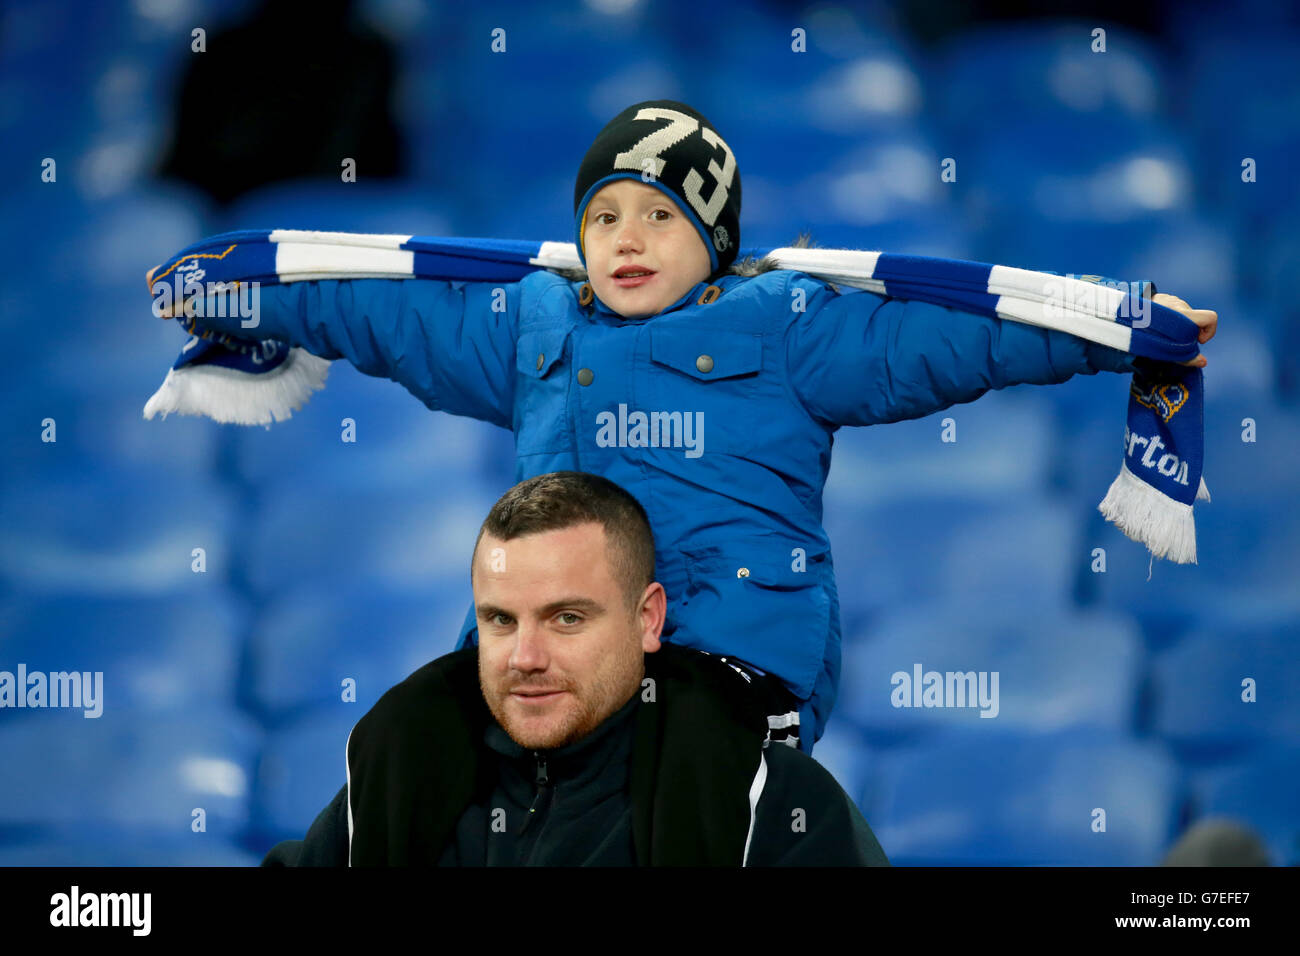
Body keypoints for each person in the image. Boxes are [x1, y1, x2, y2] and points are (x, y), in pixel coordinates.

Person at [158, 99, 1218, 753]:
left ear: (714, 238)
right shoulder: (530, 328)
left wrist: (1106, 323)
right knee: (403, 738)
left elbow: (953, 335)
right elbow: (387, 308)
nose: (626, 237)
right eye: (603, 215)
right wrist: (245, 296)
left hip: (734, 663)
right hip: (559, 662)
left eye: (660, 214)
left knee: (671, 765)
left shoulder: (788, 329)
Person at [263, 471, 890, 866]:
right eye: (501, 621)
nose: (526, 659)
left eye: (567, 618)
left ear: (647, 619)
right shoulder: (399, 768)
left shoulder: (767, 802)